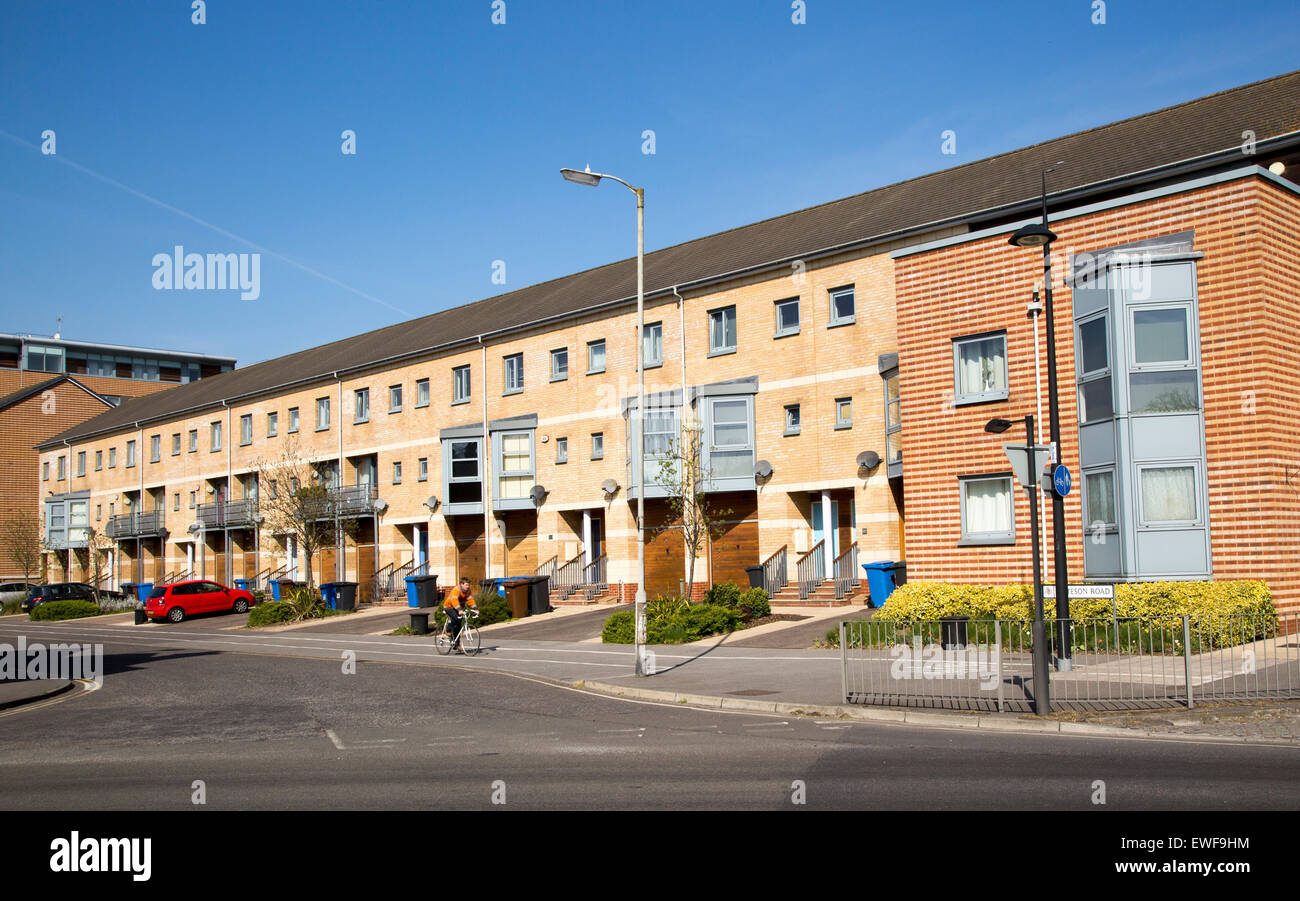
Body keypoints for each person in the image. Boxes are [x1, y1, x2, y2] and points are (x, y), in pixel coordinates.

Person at [443, 576, 478, 642]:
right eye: (466, 585)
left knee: (458, 625)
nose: (468, 586)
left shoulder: (468, 591)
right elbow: (454, 601)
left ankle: (456, 644)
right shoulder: (456, 590)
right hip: (449, 607)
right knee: (456, 618)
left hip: (458, 608)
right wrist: (459, 610)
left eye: (468, 585)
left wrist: (475, 609)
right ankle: (448, 629)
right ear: (461, 584)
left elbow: (470, 600)